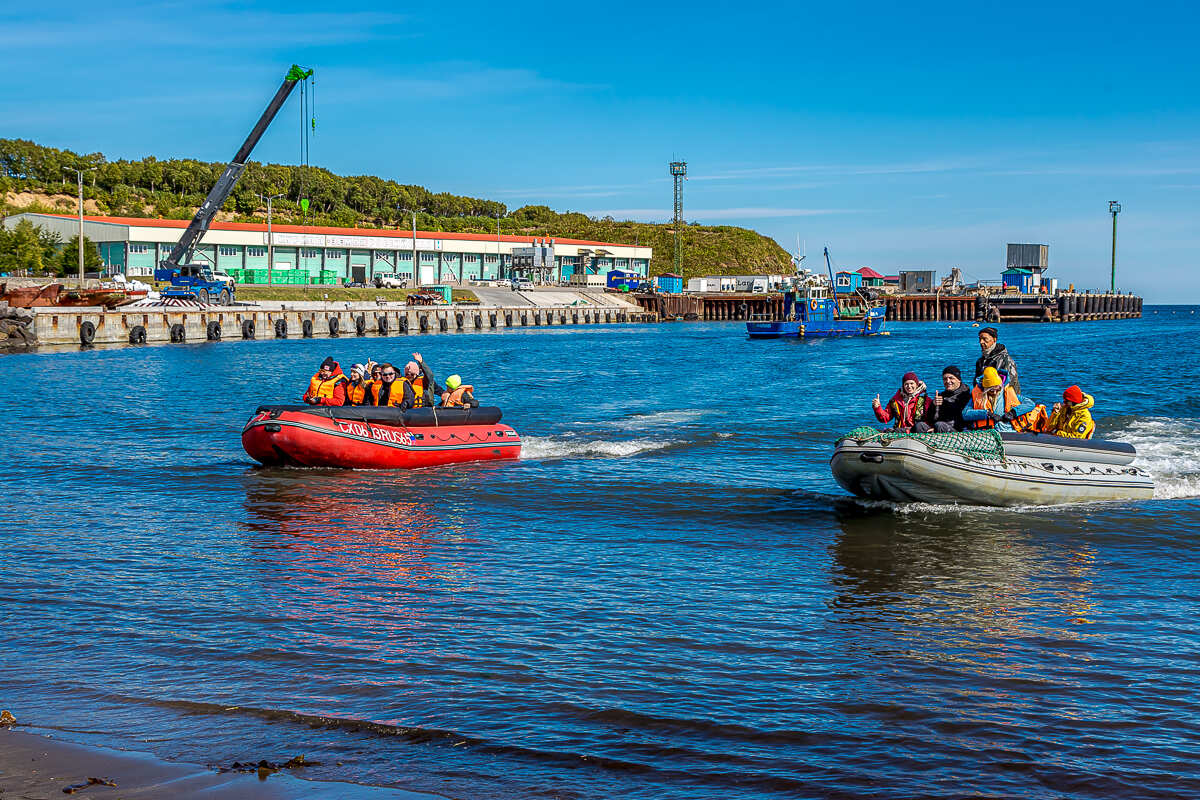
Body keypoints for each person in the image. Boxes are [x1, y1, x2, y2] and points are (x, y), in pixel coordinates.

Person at [963, 367, 1038, 432]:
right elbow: (965, 414)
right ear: (986, 388)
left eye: (997, 389)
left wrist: (1013, 413)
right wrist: (987, 414)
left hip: (1008, 431)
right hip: (986, 434)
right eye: (991, 390)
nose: (995, 392)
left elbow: (1030, 404)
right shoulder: (976, 396)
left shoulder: (1008, 393)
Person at [973, 327, 1020, 394]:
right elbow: (976, 383)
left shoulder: (1005, 360)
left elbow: (1010, 384)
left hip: (1002, 399)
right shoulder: (980, 361)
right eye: (980, 339)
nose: (981, 342)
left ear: (994, 339)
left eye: (984, 339)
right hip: (984, 398)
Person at [929, 365, 971, 432]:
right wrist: (934, 405)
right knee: (920, 426)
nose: (948, 381)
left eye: (951, 378)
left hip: (959, 432)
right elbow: (931, 419)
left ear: (959, 380)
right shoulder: (941, 396)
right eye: (945, 379)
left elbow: (963, 420)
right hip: (939, 428)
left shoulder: (966, 396)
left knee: (939, 425)